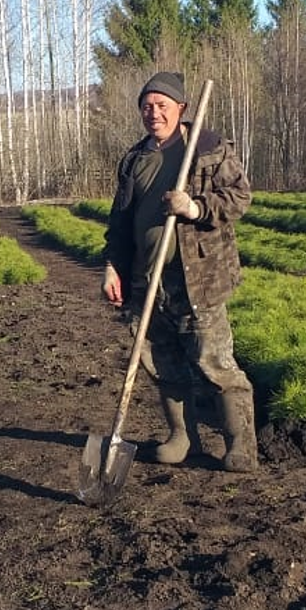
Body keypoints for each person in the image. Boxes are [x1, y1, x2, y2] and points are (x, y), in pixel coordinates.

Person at [101, 71, 259, 472]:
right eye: (147, 106)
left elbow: (240, 197)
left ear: (181, 109)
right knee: (161, 362)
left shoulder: (208, 148)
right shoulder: (135, 159)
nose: (153, 113)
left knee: (214, 362)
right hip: (146, 281)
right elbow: (120, 222)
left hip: (198, 277)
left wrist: (195, 208)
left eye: (162, 106)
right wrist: (111, 267)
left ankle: (240, 443)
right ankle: (182, 438)